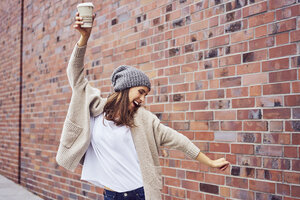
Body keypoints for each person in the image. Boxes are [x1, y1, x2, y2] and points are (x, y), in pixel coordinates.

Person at [56, 12, 229, 200]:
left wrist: (210, 162)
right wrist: (84, 37)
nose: (143, 98)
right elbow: (75, 73)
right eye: (141, 91)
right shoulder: (95, 107)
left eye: (146, 94)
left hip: (140, 194)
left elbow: (180, 141)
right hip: (110, 196)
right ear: (125, 87)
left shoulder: (144, 120)